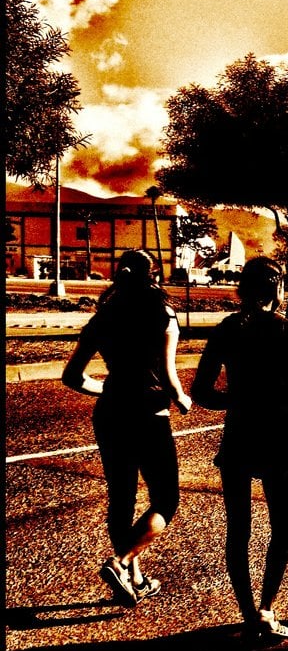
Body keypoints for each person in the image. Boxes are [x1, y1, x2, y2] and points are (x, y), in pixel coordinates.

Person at [191, 256, 288, 641]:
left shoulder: (227, 329)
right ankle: (266, 607)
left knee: (238, 529)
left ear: (243, 290)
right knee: (281, 528)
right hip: (276, 439)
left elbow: (201, 391)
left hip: (239, 437)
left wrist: (237, 400)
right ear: (276, 290)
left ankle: (247, 611)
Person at [62, 249, 191, 607]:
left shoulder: (104, 316)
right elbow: (167, 375)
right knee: (165, 500)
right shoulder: (162, 313)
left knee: (122, 497)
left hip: (110, 414)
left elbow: (72, 377)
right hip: (149, 415)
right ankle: (121, 563)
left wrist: (106, 388)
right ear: (154, 276)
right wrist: (181, 398)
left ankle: (134, 578)